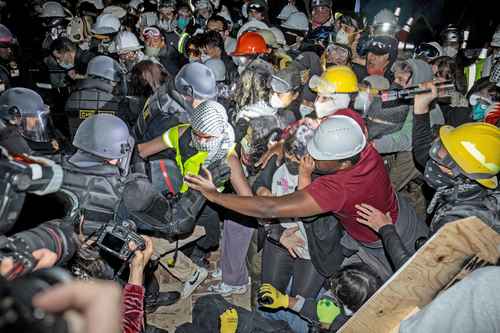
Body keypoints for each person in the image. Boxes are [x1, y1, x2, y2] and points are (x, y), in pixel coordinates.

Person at [186, 115, 429, 281]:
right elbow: (323, 121)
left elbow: (269, 208)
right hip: (398, 210)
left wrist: (215, 195)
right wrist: (283, 143)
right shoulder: (354, 134)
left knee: (408, 281)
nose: (310, 155)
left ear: (343, 163)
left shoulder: (338, 188)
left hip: (379, 239)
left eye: (319, 156)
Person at [64, 55, 128, 140]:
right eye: (114, 81)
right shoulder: (114, 102)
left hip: (78, 149)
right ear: (107, 77)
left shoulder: (72, 98)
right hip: (106, 151)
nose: (115, 84)